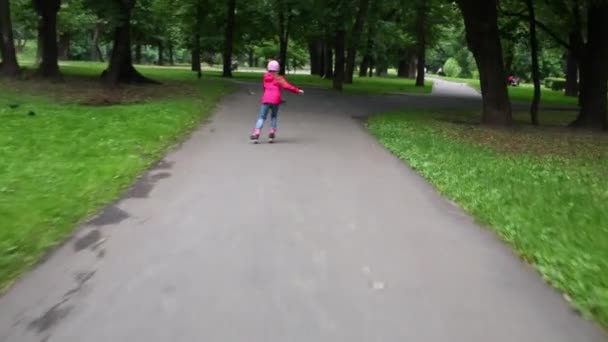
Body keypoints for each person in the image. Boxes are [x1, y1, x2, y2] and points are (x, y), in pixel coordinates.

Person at [250, 60, 304, 143]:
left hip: (266, 99)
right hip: (275, 99)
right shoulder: (279, 78)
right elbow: (287, 86)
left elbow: (264, 88)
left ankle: (256, 133)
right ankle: (272, 133)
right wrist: (297, 90)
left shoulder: (265, 77)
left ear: (268, 68)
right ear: (278, 69)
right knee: (274, 116)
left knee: (262, 117)